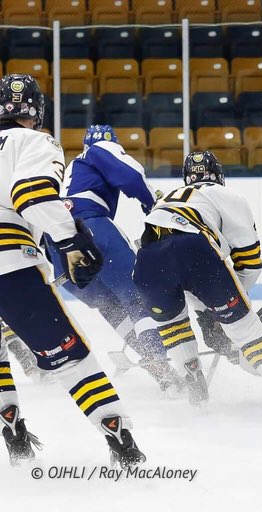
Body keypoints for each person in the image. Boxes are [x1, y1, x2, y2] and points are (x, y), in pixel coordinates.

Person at [0, 73, 144, 467]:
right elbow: (31, 196)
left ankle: (12, 431)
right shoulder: (34, 140)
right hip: (9, 264)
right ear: (36, 109)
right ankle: (121, 442)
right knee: (71, 358)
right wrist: (71, 241)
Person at [133, 150, 262, 405]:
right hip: (194, 250)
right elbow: (249, 262)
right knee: (242, 326)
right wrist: (228, 307)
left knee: (172, 322)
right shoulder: (226, 194)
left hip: (146, 262)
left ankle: (191, 377)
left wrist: (207, 310)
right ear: (218, 174)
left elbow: (179, 272)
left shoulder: (168, 199)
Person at [45, 124, 181, 393]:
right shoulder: (98, 149)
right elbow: (128, 174)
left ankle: (151, 360)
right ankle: (156, 354)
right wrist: (153, 202)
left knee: (109, 306)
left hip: (56, 242)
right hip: (92, 228)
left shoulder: (66, 169)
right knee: (135, 296)